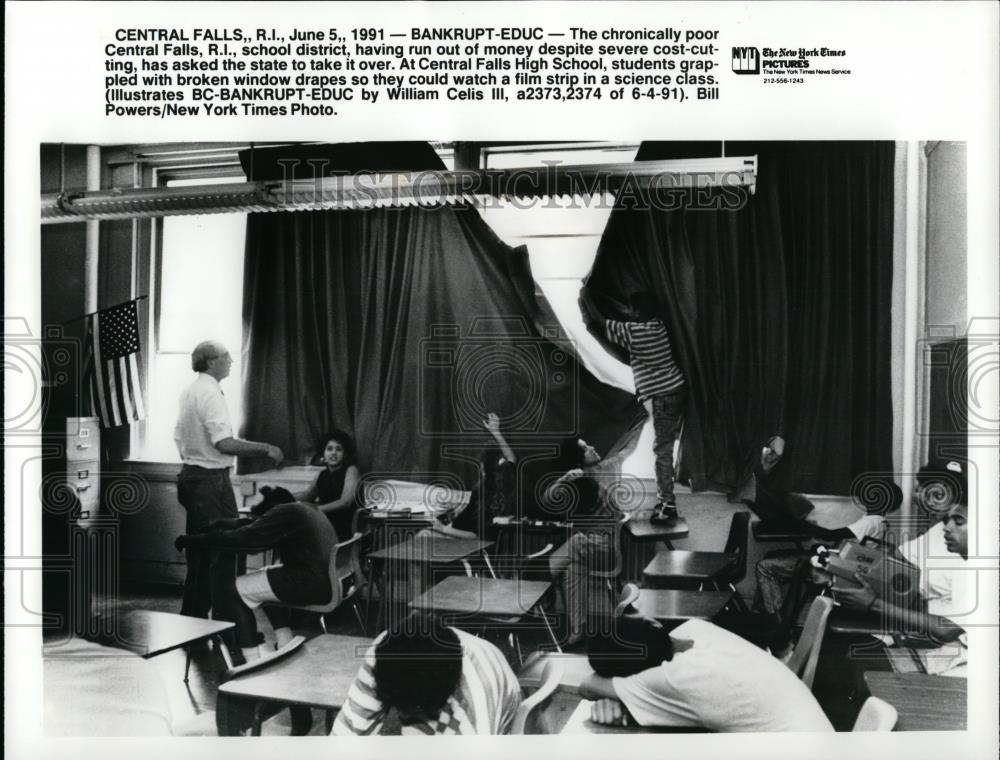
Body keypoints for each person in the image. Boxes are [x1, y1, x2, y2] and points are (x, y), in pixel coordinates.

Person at [174, 340, 284, 622]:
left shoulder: (191, 390)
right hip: (209, 480)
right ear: (211, 362)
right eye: (226, 356)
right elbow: (223, 443)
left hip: (193, 476)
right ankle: (225, 619)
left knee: (201, 554)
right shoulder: (209, 393)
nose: (231, 361)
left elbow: (180, 437)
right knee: (224, 552)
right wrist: (266, 448)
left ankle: (195, 620)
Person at [580, 615, 834, 732]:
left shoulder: (675, 677)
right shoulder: (697, 628)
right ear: (655, 624)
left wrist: (626, 696)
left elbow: (587, 685)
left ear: (642, 675)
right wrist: (630, 696)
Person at [174, 486, 339, 663]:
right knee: (265, 579)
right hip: (327, 582)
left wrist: (192, 540)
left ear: (273, 510)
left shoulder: (284, 512)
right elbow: (255, 525)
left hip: (310, 583)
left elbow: (245, 537)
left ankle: (251, 661)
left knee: (232, 591)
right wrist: (222, 523)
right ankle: (285, 643)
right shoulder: (304, 509)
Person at [835, 500, 970, 677]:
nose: (946, 528)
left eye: (959, 522)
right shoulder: (965, 563)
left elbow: (947, 630)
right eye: (947, 521)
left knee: (858, 663)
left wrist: (874, 603)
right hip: (934, 633)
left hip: (948, 649)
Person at [331, 614, 521, 735]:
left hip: (502, 698)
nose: (402, 715)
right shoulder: (383, 651)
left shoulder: (475, 710)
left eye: (412, 712)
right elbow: (349, 729)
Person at [753, 476, 904, 620]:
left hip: (834, 570)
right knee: (772, 554)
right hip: (839, 564)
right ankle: (767, 613)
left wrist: (798, 522)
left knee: (764, 567)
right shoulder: (879, 521)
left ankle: (775, 620)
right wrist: (808, 526)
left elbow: (830, 536)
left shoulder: (871, 522)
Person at [603, 291, 686, 525]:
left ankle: (668, 504)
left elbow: (603, 325)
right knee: (667, 447)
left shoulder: (636, 333)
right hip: (675, 390)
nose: (629, 313)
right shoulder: (659, 326)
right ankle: (666, 500)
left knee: (662, 451)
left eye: (631, 309)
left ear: (637, 312)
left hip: (664, 396)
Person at [545, 436, 622, 646]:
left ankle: (538, 581)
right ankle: (577, 632)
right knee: (572, 569)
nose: (593, 447)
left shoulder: (595, 476)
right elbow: (548, 498)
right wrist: (564, 479)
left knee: (577, 542)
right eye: (586, 448)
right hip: (589, 551)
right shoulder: (578, 481)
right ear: (578, 459)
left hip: (604, 550)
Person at [426, 412, 518, 540]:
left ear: (483, 468)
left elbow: (476, 536)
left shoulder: (486, 496)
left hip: (467, 543)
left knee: (422, 537)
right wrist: (496, 432)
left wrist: (443, 529)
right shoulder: (505, 484)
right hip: (459, 532)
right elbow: (511, 458)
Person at [299, 429, 361, 542]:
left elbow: (345, 502)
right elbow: (307, 495)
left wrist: (315, 510)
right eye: (329, 449)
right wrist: (283, 495)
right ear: (323, 453)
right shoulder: (322, 474)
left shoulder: (351, 470)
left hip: (344, 527)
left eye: (339, 449)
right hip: (324, 523)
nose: (333, 453)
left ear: (345, 454)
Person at [739, 435, 816, 524]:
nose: (774, 457)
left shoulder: (775, 458)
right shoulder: (762, 454)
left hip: (765, 492)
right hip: (756, 489)